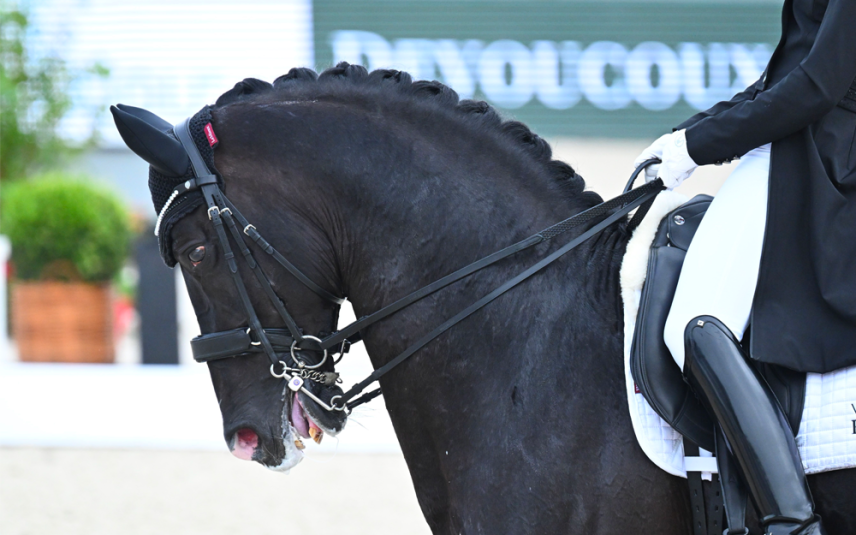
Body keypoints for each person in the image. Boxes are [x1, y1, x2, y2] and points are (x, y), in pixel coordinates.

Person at [633, 1, 856, 534]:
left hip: (822, 156)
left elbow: (817, 85)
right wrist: (687, 136)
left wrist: (700, 146)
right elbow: (786, 76)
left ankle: (794, 522)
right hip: (805, 141)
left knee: (694, 320)